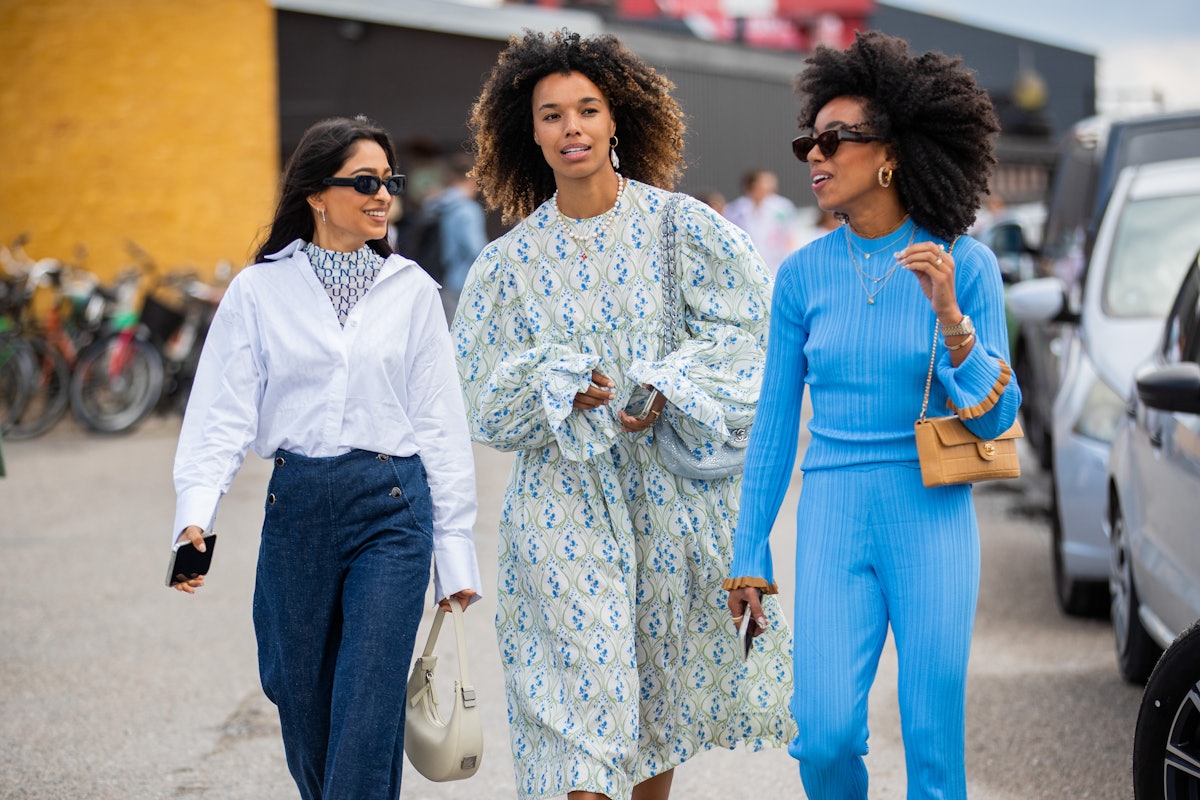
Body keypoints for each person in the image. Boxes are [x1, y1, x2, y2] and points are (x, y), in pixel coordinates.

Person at [453, 29, 795, 800]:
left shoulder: (684, 228)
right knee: (578, 723)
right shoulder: (506, 265)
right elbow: (481, 393)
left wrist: (669, 382)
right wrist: (559, 385)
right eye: (551, 115)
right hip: (561, 508)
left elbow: (753, 338)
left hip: (668, 506)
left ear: (617, 121)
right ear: (527, 132)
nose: (570, 127)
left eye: (586, 109)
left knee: (652, 716)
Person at [725, 31, 1020, 800]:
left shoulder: (967, 264)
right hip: (832, 512)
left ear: (890, 151)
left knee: (929, 741)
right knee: (821, 736)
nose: (813, 156)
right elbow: (773, 426)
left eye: (834, 139)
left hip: (932, 517)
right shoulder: (800, 276)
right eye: (807, 141)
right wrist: (749, 546)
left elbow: (996, 422)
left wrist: (952, 318)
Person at [169, 115, 482, 800]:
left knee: (368, 713)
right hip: (299, 506)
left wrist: (453, 550)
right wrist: (195, 520)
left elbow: (441, 424)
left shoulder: (412, 291)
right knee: (298, 696)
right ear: (316, 192)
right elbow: (220, 413)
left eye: (389, 183)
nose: (382, 197)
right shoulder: (259, 291)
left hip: (393, 510)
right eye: (365, 182)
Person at [422, 152, 489, 321]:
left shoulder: (437, 204)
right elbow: (478, 250)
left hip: (438, 278)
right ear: (471, 178)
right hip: (462, 284)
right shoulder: (467, 210)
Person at [722, 168, 797, 274]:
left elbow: (789, 236)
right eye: (764, 182)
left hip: (775, 263)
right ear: (751, 185)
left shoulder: (782, 207)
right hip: (746, 264)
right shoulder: (735, 210)